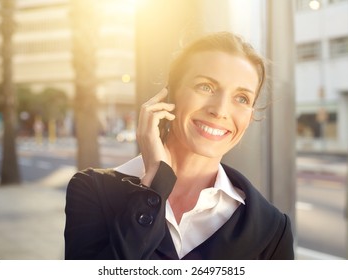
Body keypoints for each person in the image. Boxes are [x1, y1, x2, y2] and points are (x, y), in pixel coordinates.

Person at [64, 31, 294, 260]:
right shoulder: (92, 190)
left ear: (250, 116)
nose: (220, 110)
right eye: (206, 87)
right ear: (170, 95)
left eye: (241, 98)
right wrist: (155, 185)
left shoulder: (271, 229)